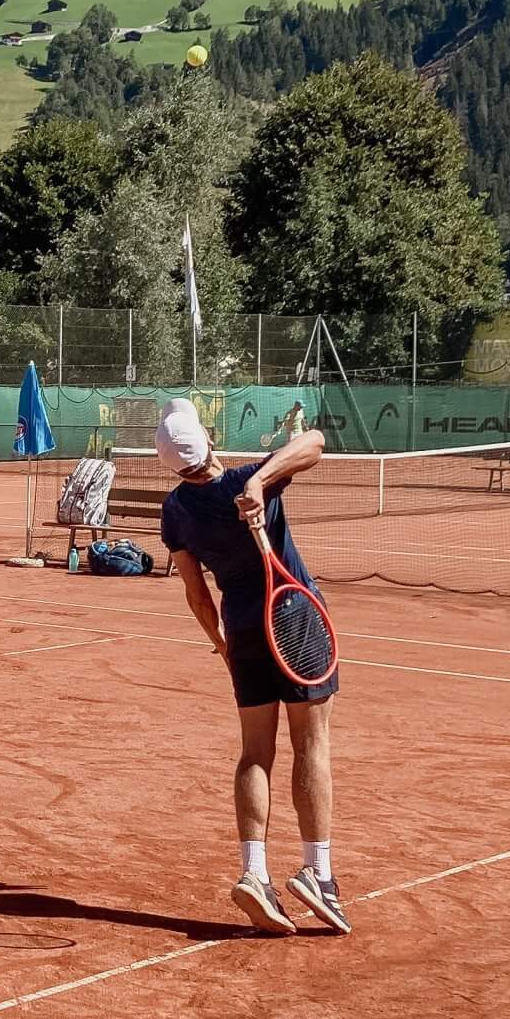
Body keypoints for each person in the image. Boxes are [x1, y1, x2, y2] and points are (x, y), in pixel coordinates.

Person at [157, 398, 348, 936]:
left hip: (242, 628)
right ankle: (319, 873)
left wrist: (221, 644)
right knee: (311, 745)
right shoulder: (243, 480)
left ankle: (256, 873)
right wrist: (261, 481)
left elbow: (196, 593)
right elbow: (314, 442)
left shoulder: (175, 511)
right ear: (208, 440)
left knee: (254, 752)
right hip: (293, 618)